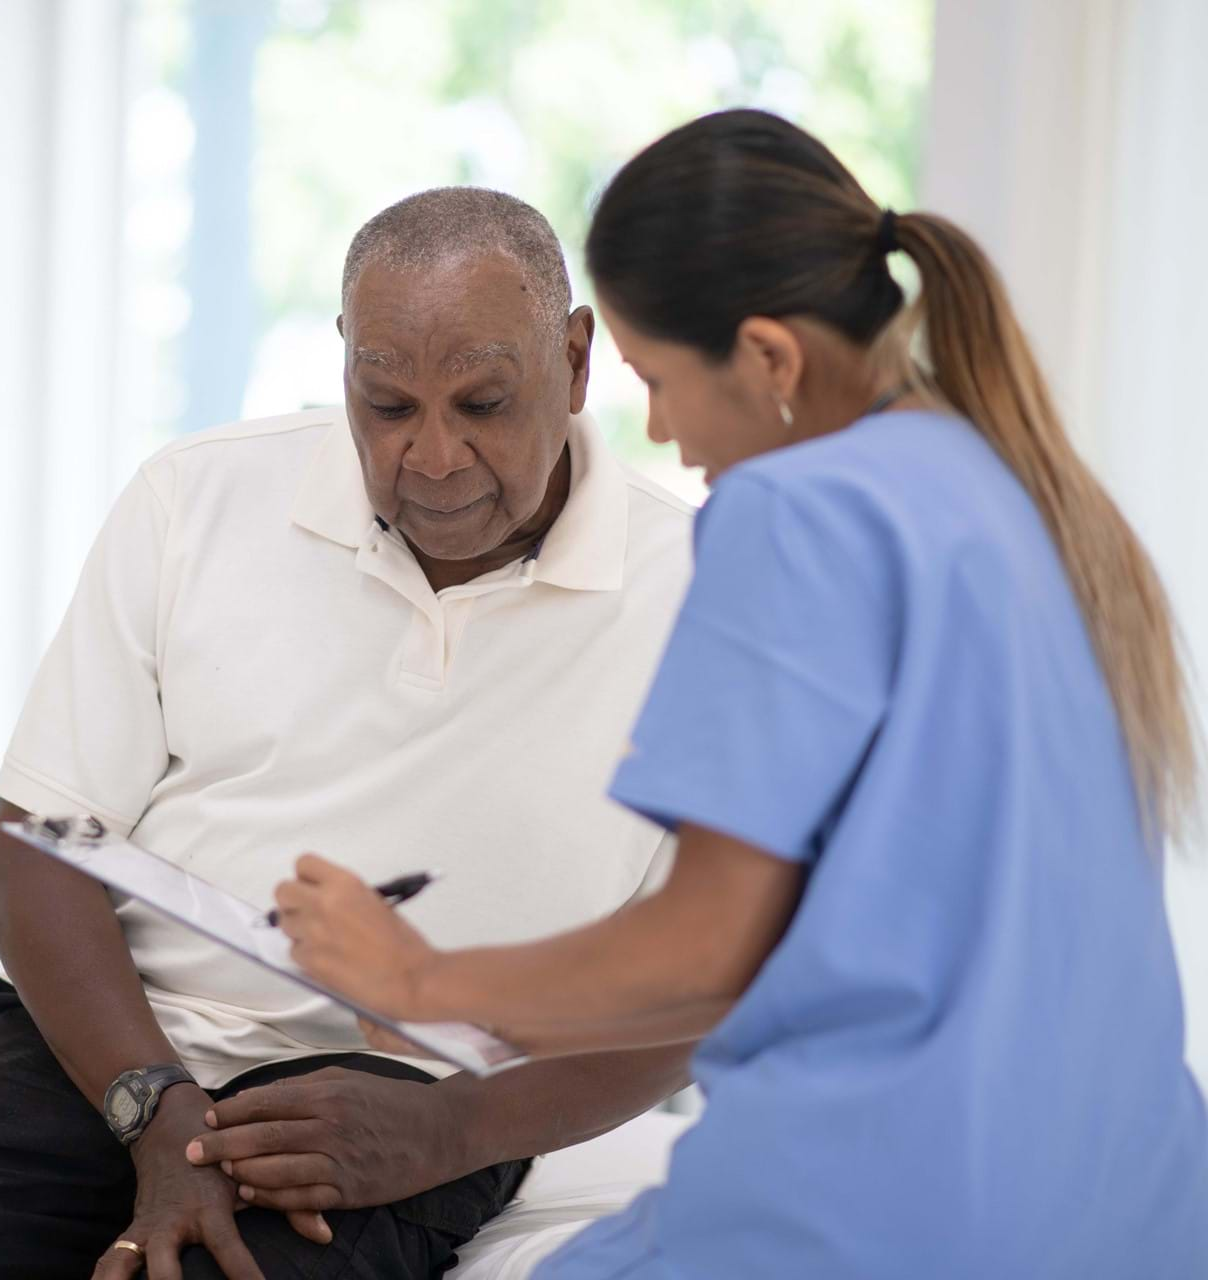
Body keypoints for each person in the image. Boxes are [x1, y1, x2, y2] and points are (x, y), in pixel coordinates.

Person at [271, 110, 1208, 1278]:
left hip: (884, 1217)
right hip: (1140, 1207)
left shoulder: (796, 511)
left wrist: (417, 978)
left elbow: (708, 946)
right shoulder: (1018, 493)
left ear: (767, 359)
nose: (656, 428)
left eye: (658, 379)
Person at [0, 188, 696, 1279]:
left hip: (406, 1099)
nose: (432, 457)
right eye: (385, 404)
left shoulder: (706, 598)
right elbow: (33, 854)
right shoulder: (193, 499)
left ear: (574, 362)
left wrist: (453, 1131)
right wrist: (157, 1112)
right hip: (105, 1050)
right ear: (343, 360)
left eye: (482, 401)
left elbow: (709, 981)